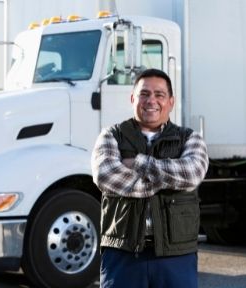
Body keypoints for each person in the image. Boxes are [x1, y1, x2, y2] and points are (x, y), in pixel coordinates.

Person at [91, 68, 209, 288]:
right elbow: (106, 176)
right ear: (133, 98)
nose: (151, 100)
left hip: (176, 254)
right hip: (122, 252)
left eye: (159, 94)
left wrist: (138, 163)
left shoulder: (190, 139)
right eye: (144, 94)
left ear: (171, 102)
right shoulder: (111, 135)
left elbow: (192, 173)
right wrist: (167, 180)